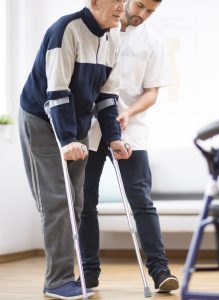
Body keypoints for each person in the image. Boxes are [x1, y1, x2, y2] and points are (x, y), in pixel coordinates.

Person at [18, 0, 131, 299]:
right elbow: (56, 93)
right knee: (57, 200)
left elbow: (108, 95)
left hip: (78, 122)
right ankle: (57, 281)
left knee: (76, 202)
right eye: (115, 0)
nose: (122, 6)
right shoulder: (65, 31)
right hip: (42, 118)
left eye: (124, 0)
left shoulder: (114, 37)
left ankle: (69, 276)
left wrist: (113, 137)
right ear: (94, 2)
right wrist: (67, 140)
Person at [79, 0, 179, 293]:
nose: (143, 15)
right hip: (91, 130)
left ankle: (160, 272)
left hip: (130, 131)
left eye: (150, 12)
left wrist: (130, 112)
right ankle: (88, 274)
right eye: (140, 6)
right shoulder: (96, 30)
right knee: (85, 202)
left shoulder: (152, 43)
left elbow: (152, 92)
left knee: (141, 201)